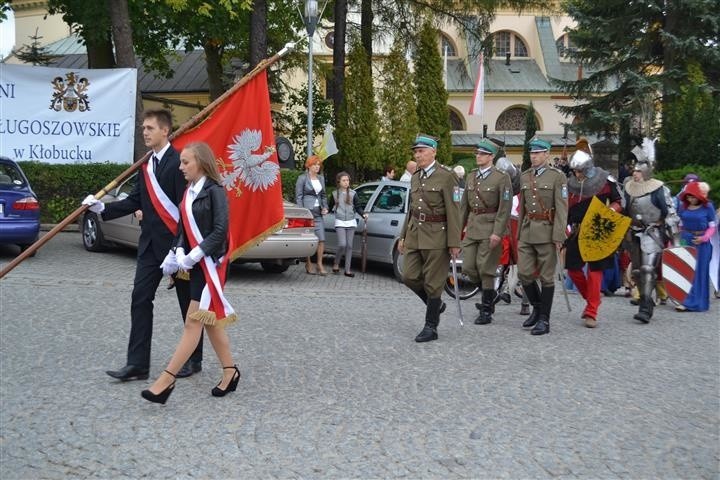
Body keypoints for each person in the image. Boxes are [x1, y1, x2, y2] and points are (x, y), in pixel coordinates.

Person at [82, 109, 203, 381]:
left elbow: (186, 210)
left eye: (150, 128)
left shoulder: (179, 162)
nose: (145, 132)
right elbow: (136, 200)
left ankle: (194, 359)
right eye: (143, 128)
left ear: (165, 131)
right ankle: (137, 364)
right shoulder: (146, 165)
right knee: (140, 299)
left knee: (188, 304)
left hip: (176, 248)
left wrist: (181, 248)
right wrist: (103, 208)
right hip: (149, 246)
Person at [142, 142, 239, 404]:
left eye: (186, 162)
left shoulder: (215, 190)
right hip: (196, 265)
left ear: (201, 162)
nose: (181, 167)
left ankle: (166, 380)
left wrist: (196, 253)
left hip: (212, 265)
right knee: (209, 322)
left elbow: (220, 230)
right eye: (181, 162)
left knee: (193, 321)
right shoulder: (189, 192)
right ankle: (230, 371)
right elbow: (183, 229)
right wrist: (175, 253)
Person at [398, 134, 461, 342]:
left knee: (434, 283)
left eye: (422, 151)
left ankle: (430, 327)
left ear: (433, 151)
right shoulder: (416, 176)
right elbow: (411, 209)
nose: (418, 155)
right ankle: (436, 305)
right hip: (415, 233)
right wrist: (403, 236)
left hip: (437, 234)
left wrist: (454, 243)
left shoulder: (447, 176)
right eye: (416, 151)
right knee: (408, 275)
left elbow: (454, 211)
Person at [564, 150, 624, 328]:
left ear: (588, 168)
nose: (577, 174)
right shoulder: (570, 184)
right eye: (575, 171)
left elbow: (620, 201)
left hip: (597, 229)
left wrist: (609, 212)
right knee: (573, 270)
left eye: (580, 171)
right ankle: (592, 299)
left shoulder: (605, 181)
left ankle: (591, 311)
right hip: (576, 231)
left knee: (594, 271)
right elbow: (565, 208)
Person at [517, 138, 569, 335]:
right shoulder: (525, 176)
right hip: (528, 230)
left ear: (547, 155)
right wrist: (519, 232)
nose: (534, 156)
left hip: (547, 231)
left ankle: (544, 320)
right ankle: (537, 308)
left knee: (547, 278)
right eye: (532, 153)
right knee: (524, 273)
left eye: (538, 153)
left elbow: (562, 208)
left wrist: (558, 235)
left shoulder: (557, 177)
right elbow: (522, 207)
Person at [459, 140, 512, 325]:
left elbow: (504, 208)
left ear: (491, 157)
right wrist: (459, 230)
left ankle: (486, 309)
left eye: (482, 154)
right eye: (477, 153)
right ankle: (491, 296)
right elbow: (464, 206)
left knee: (486, 269)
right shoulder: (471, 176)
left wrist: (498, 232)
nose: (478, 156)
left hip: (490, 229)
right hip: (473, 228)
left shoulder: (501, 177)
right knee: (467, 267)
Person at [624, 157, 678, 323]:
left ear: (646, 172)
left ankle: (646, 308)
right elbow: (625, 212)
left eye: (639, 171)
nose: (635, 174)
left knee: (648, 269)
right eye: (634, 170)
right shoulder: (629, 189)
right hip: (634, 233)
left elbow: (670, 214)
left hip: (652, 232)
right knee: (637, 272)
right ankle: (644, 299)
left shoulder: (659, 190)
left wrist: (675, 240)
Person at [675, 181, 716, 312]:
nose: (690, 199)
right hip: (686, 240)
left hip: (702, 243)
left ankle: (696, 302)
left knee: (699, 272)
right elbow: (680, 225)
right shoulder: (683, 207)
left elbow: (712, 227)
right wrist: (679, 241)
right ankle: (684, 299)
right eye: (688, 196)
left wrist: (704, 238)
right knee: (685, 271)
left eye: (693, 196)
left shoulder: (708, 207)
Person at [295, 156, 329, 275]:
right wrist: (302, 212)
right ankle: (308, 263)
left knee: (321, 239)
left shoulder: (321, 178)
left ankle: (319, 263)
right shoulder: (302, 178)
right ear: (309, 166)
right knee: (309, 239)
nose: (317, 167)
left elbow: (324, 195)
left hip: (318, 212)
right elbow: (299, 196)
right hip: (307, 212)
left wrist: (325, 207)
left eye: (319, 165)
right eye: (315, 164)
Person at [331, 171, 367, 277]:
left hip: (351, 221)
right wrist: (324, 210)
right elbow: (329, 207)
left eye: (347, 180)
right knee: (342, 244)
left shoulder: (353, 194)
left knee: (349, 246)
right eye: (344, 180)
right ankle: (336, 263)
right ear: (339, 182)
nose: (346, 182)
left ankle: (347, 270)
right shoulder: (334, 194)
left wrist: (363, 214)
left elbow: (358, 207)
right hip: (340, 221)